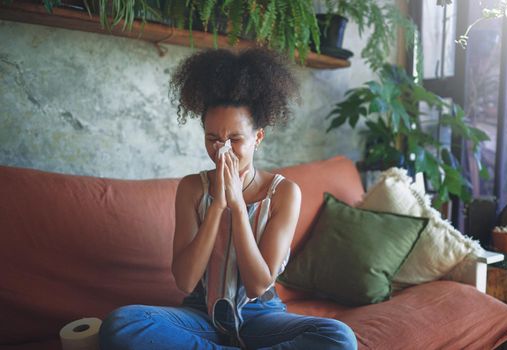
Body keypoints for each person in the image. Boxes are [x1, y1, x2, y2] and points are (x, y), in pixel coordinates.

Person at [99, 48, 357, 350]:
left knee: (338, 338)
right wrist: (217, 206)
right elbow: (184, 281)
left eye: (235, 139)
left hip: (260, 316)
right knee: (122, 324)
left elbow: (258, 284)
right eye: (212, 139)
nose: (222, 150)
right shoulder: (192, 188)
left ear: (258, 138)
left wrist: (236, 205)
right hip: (200, 316)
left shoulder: (284, 193)